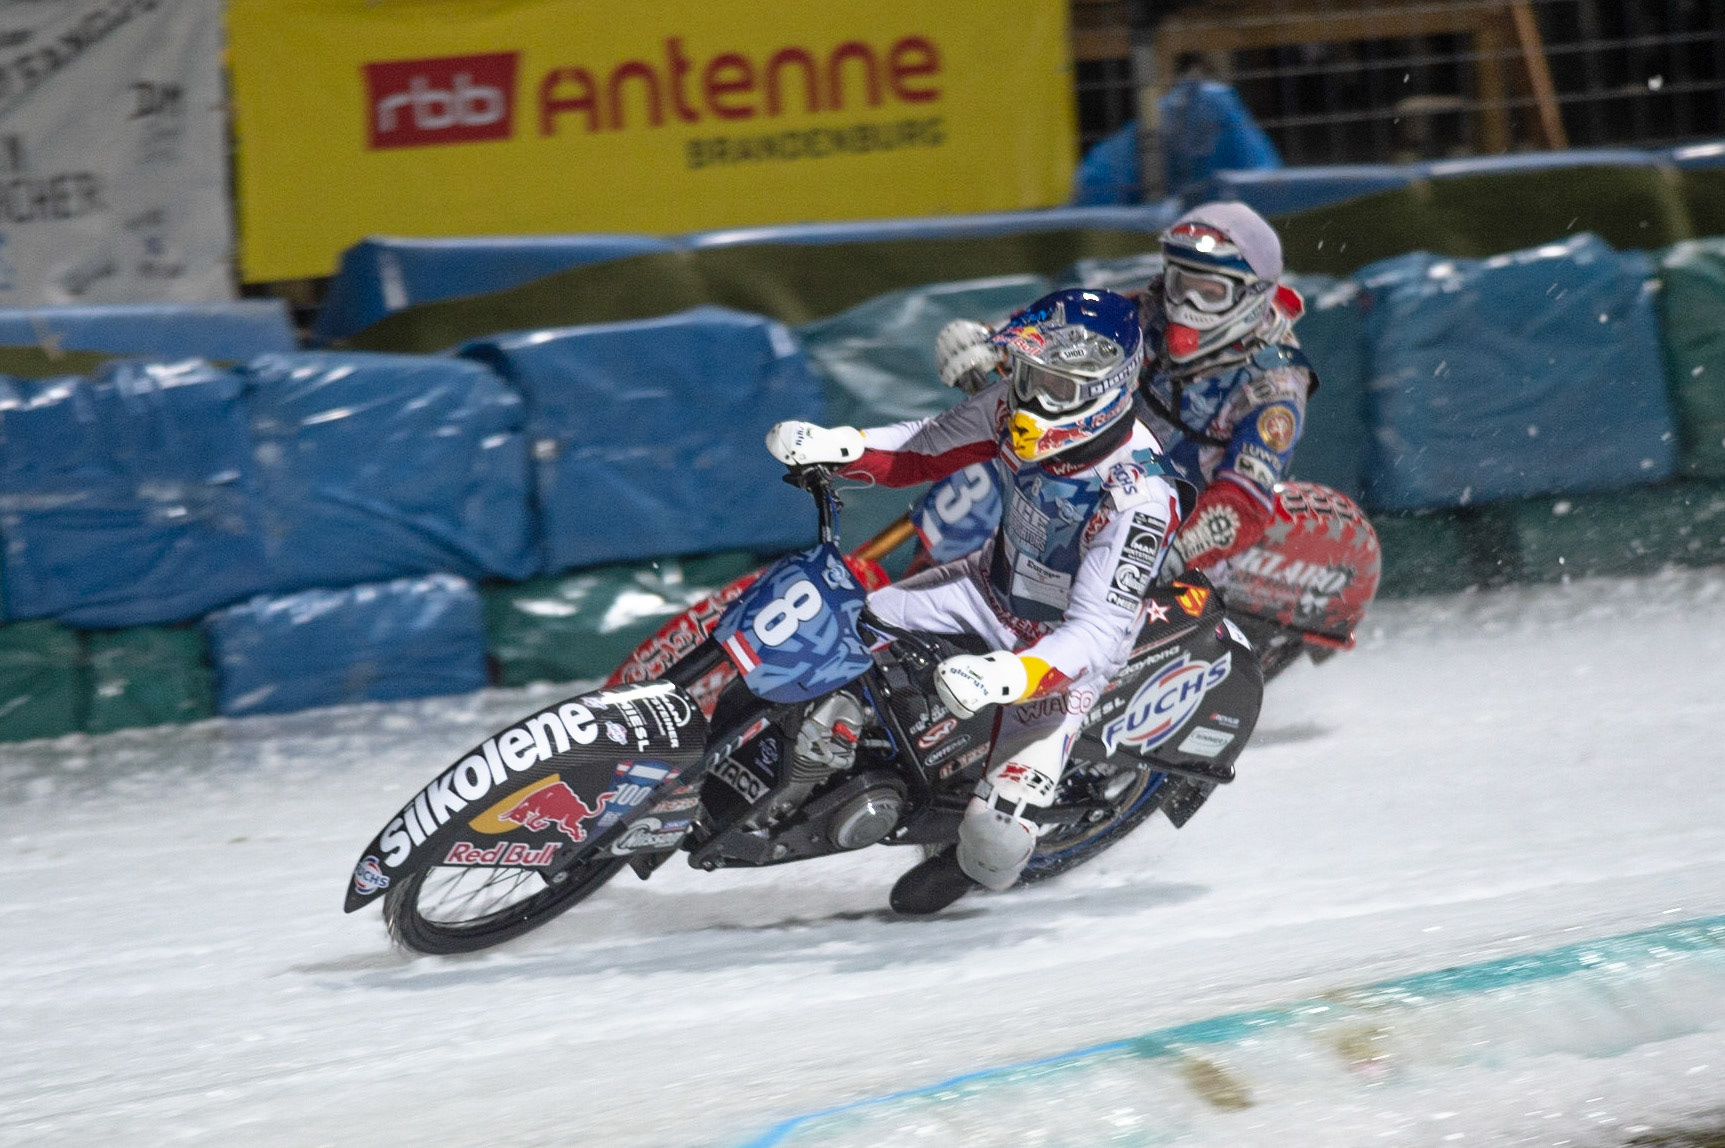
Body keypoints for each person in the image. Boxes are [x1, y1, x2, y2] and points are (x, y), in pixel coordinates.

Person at [764, 289, 1182, 914]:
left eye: (1056, 390)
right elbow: (923, 447)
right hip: (986, 588)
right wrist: (837, 445)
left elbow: (1096, 634)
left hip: (1058, 663)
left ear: (1109, 390)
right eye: (1028, 376)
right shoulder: (1013, 409)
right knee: (850, 629)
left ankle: (967, 868)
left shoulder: (1138, 497)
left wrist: (1010, 674)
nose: (1032, 402)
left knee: (995, 837)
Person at [929, 200, 1315, 580]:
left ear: (1253, 294)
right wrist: (987, 344)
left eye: (1208, 293)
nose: (1184, 305)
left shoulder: (1274, 384)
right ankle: (930, 582)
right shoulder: (1144, 313)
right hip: (1090, 483)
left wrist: (1160, 553)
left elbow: (1243, 502)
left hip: (1173, 545)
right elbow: (1054, 337)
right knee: (997, 454)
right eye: (1181, 283)